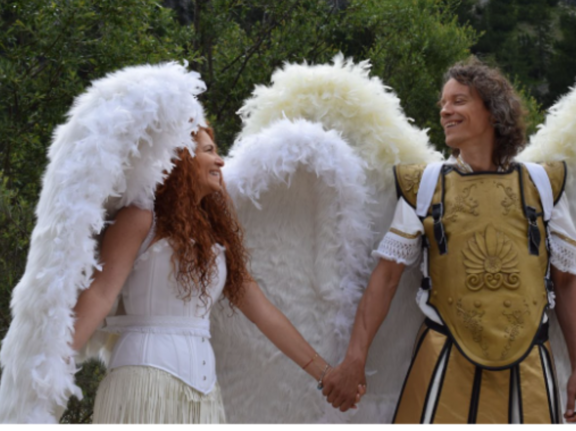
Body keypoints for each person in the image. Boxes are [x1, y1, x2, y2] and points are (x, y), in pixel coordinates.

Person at [321, 57, 576, 424]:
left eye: (458, 100)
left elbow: (566, 280)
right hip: (442, 363)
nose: (446, 111)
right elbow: (385, 278)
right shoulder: (426, 185)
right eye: (443, 104)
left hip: (530, 368)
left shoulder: (542, 185)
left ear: (493, 111)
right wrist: (355, 357)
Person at [71, 126, 361, 423]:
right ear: (179, 158)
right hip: (144, 381)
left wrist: (326, 374)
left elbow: (265, 314)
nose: (220, 161)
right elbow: (100, 293)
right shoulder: (140, 218)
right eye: (209, 151)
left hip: (205, 392)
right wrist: (50, 370)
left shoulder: (216, 237)